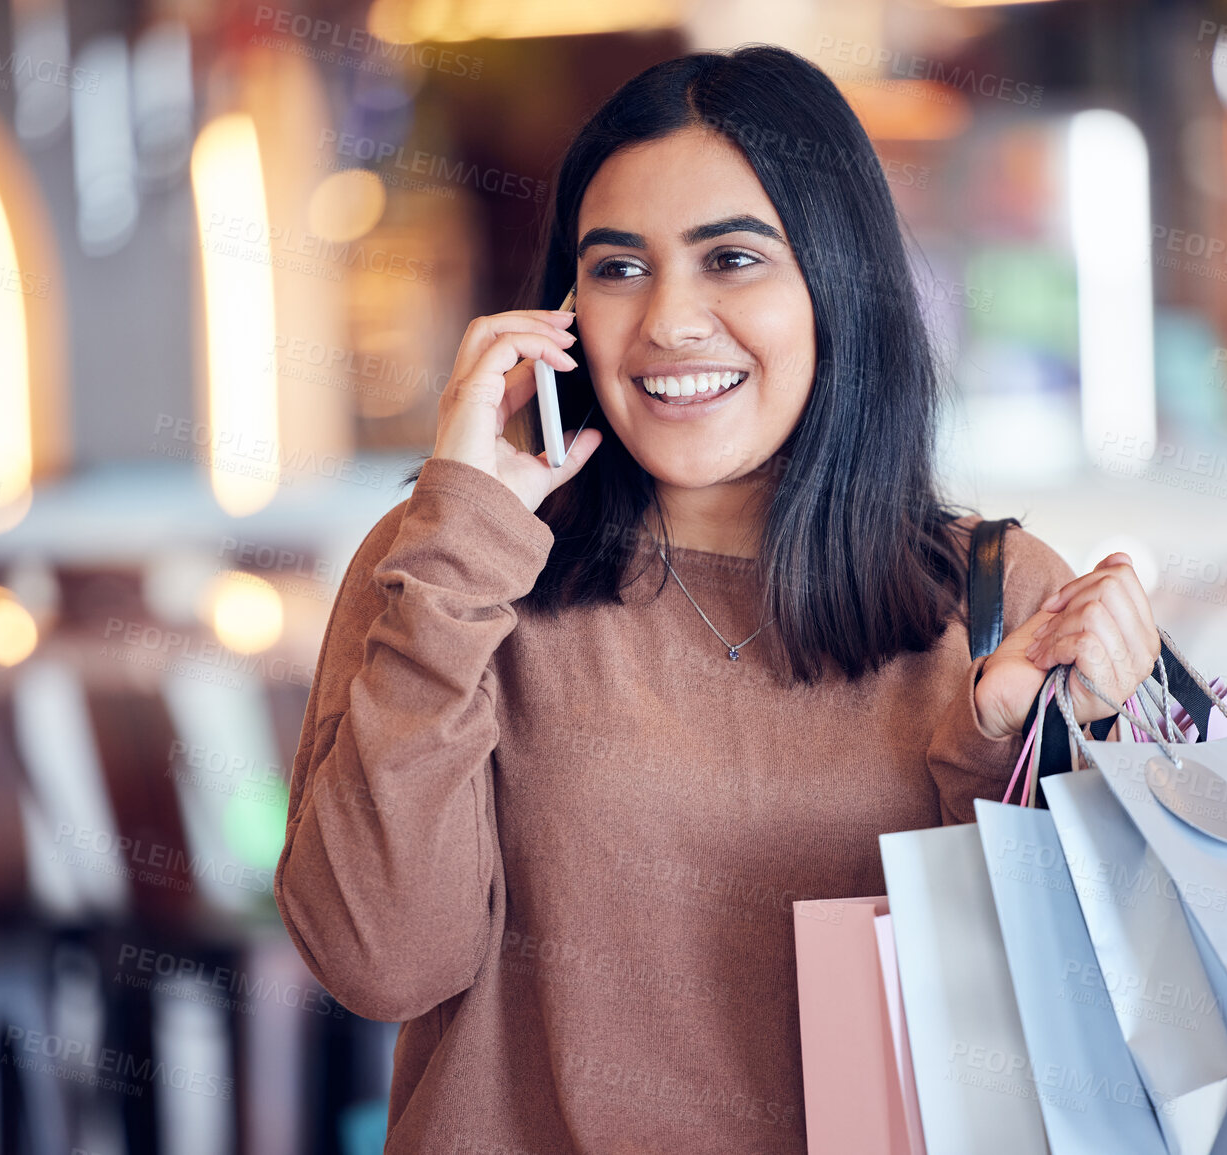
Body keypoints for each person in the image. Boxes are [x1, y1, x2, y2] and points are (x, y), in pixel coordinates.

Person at [275, 43, 1159, 1153]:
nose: (670, 325)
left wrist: (1002, 748)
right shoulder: (449, 567)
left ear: (838, 280)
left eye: (732, 259)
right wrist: (461, 551)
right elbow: (379, 960)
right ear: (562, 312)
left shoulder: (1000, 601)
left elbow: (1088, 1035)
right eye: (619, 268)